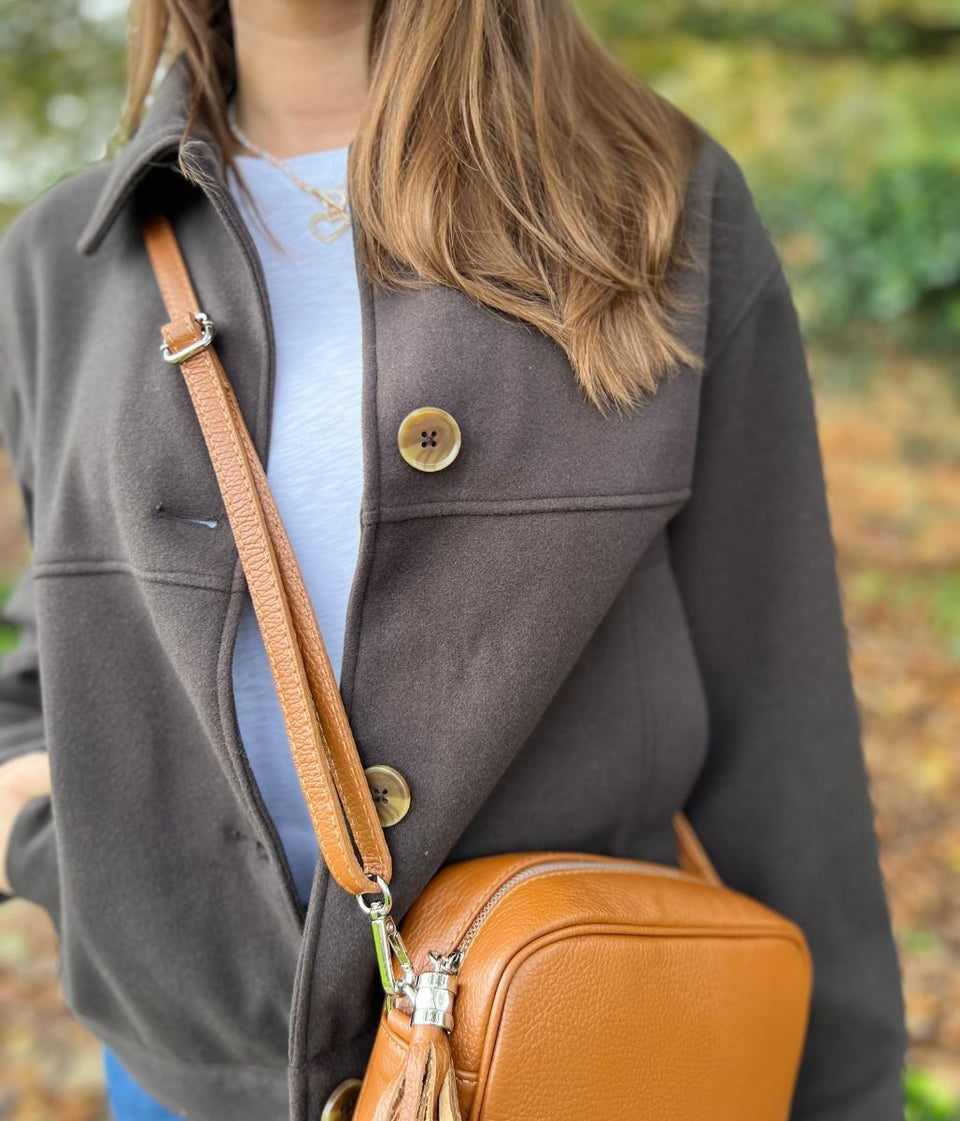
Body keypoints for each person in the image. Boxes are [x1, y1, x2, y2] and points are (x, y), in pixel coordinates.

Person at [0, 1, 908, 1119]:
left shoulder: (658, 201)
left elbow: (782, 719)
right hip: (180, 1074)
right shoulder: (60, 261)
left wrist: (843, 1093)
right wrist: (53, 840)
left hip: (574, 1052)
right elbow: (68, 647)